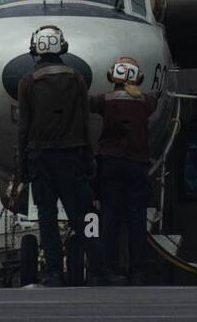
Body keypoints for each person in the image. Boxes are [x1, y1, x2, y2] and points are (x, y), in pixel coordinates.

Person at [14, 24, 110, 287]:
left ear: (35, 48)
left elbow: (24, 128)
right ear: (63, 47)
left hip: (40, 159)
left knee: (47, 217)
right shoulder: (77, 78)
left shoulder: (27, 82)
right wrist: (89, 158)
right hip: (72, 157)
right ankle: (99, 271)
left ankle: (54, 272)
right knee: (83, 216)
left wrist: (21, 166)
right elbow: (84, 123)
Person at [90, 56, 158, 285]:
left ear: (112, 76)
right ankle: (138, 271)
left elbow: (86, 103)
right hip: (137, 165)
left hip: (110, 164)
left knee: (110, 219)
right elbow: (153, 100)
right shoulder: (147, 102)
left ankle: (109, 269)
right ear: (138, 77)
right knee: (136, 220)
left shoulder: (104, 100)